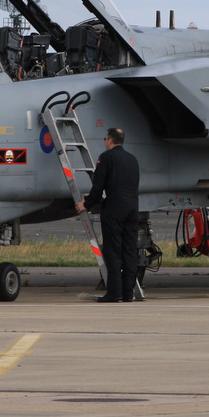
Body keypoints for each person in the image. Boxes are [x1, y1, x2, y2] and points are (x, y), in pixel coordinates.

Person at [75, 128, 140, 303]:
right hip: (133, 208)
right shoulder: (133, 160)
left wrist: (85, 204)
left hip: (114, 208)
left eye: (105, 138)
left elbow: (98, 188)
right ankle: (128, 292)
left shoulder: (105, 158)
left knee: (112, 250)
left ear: (110, 140)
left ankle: (114, 292)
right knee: (129, 250)